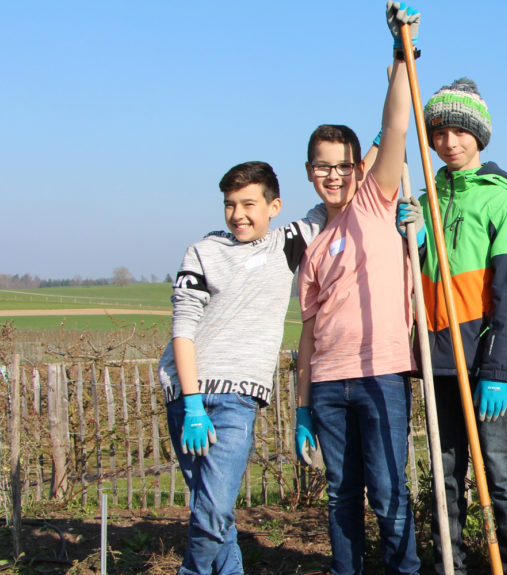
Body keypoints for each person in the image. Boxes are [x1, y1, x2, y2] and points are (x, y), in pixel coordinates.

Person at [291, 3, 421, 574]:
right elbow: (309, 333)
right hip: (327, 385)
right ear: (310, 172)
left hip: (381, 373)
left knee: (391, 496)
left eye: (344, 164)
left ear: (356, 169)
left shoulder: (374, 199)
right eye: (323, 167)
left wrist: (400, 52)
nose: (335, 174)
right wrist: (301, 406)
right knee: (341, 497)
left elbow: (395, 125)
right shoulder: (313, 245)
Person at [158, 160, 326, 575]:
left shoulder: (285, 246)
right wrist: (193, 403)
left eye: (248, 204)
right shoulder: (202, 252)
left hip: (237, 401)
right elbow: (182, 328)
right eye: (230, 205)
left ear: (275, 206)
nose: (238, 214)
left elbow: (334, 194)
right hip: (188, 400)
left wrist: (382, 138)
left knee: (212, 511)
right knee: (214, 512)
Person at [398, 77, 507, 575]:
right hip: (438, 360)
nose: (448, 142)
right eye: (438, 132)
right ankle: (448, 567)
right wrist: (408, 239)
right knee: (445, 476)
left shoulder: (503, 198)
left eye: (459, 131)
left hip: (483, 360)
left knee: (499, 474)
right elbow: (417, 280)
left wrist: (498, 368)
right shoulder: (427, 198)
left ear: (479, 135)